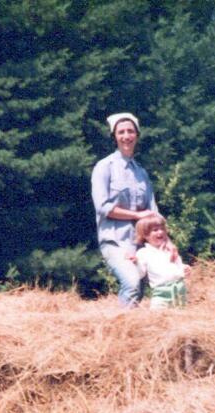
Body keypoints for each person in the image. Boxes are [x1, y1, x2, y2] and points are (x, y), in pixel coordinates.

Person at [90, 112, 160, 307]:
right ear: (115, 137)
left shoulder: (142, 173)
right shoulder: (104, 167)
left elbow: (153, 212)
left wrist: (167, 244)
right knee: (131, 282)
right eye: (121, 132)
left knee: (141, 288)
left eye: (130, 131)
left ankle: (132, 332)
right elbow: (103, 207)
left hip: (138, 243)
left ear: (137, 135)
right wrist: (137, 215)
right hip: (114, 240)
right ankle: (122, 330)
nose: (126, 136)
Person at [133, 213, 189, 308]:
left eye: (162, 229)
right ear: (145, 235)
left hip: (179, 289)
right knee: (159, 317)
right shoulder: (143, 253)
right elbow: (140, 274)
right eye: (155, 230)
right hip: (161, 292)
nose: (160, 232)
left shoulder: (170, 249)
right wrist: (135, 263)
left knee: (180, 317)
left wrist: (184, 268)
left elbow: (178, 266)